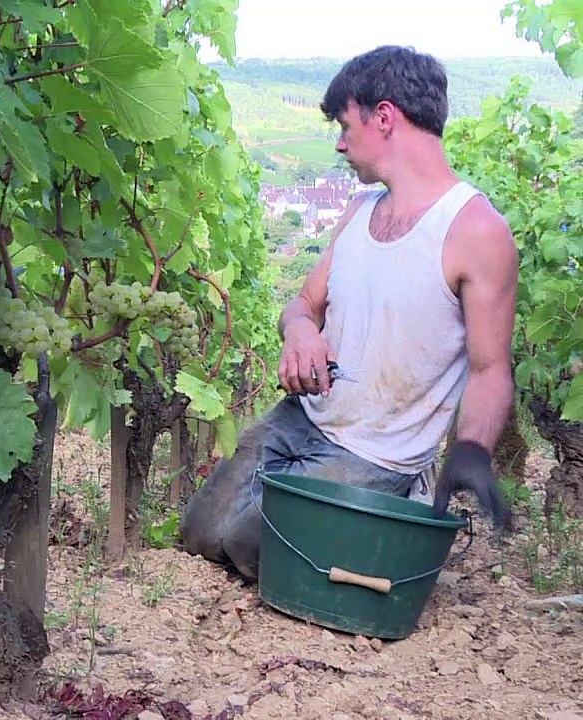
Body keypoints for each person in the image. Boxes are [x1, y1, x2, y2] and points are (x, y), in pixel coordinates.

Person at [178, 45, 518, 580]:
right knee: (201, 535)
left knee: (248, 547)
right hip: (302, 418)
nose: (339, 143)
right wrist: (300, 334)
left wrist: (472, 450)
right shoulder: (358, 211)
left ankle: (394, 498)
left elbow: (491, 368)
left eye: (344, 125)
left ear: (384, 117)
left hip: (378, 451)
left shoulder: (476, 231)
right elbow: (304, 304)